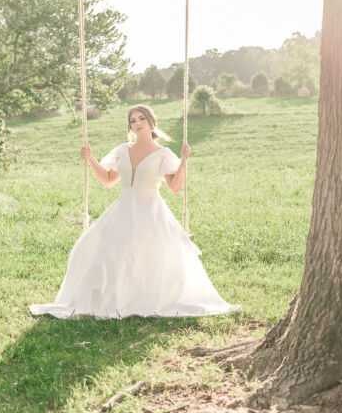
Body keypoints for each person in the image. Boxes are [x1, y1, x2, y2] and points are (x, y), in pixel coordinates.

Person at [30, 104, 239, 318]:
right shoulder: (123, 150)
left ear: (151, 122)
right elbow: (109, 181)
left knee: (146, 255)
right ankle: (109, 299)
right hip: (122, 208)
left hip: (150, 209)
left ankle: (144, 297)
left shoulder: (163, 154)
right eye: (133, 120)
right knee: (102, 251)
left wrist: (183, 161)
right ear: (129, 126)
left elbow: (175, 187)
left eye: (141, 119)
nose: (137, 123)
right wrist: (91, 158)